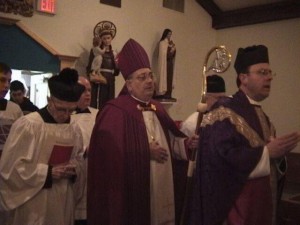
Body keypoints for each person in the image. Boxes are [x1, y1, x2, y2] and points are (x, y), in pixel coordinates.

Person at [87, 38, 198, 225]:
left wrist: (186, 144)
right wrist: (145, 151)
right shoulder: (114, 111)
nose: (149, 81)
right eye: (142, 77)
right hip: (134, 191)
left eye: (150, 76)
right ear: (128, 84)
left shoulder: (158, 107)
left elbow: (170, 143)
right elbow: (106, 155)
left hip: (163, 186)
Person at [189, 45, 300, 225]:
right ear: (243, 78)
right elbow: (218, 160)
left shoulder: (263, 117)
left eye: (270, 72)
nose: (269, 77)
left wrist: (278, 157)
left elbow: (270, 162)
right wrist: (266, 153)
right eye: (262, 72)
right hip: (237, 211)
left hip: (261, 208)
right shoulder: (224, 111)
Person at [0, 68, 86, 225]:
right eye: (61, 109)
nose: (66, 115)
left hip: (62, 199)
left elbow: (79, 160)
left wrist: (75, 168)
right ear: (49, 100)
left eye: (71, 110)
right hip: (34, 202)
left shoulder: (74, 128)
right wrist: (47, 173)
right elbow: (9, 169)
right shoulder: (28, 125)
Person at [72, 76, 98, 225]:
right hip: (76, 171)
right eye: (83, 91)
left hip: (94, 171)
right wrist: (84, 150)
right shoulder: (66, 115)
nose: (87, 94)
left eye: (89, 90)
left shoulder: (99, 114)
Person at [0, 62, 23, 225]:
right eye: (2, 80)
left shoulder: (14, 109)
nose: (6, 85)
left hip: (7, 170)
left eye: (9, 81)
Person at [88, 28, 119, 109]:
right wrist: (92, 75)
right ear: (101, 39)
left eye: (108, 38)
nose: (106, 40)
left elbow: (116, 69)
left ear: (111, 38)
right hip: (100, 77)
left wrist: (118, 66)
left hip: (110, 78)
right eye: (104, 38)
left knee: (110, 99)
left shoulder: (114, 53)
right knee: (99, 99)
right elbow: (90, 65)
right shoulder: (96, 51)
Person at [155, 28, 176, 101]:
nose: (170, 36)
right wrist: (170, 50)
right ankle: (163, 93)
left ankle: (168, 93)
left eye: (170, 34)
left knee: (169, 78)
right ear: (166, 34)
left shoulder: (170, 43)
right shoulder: (162, 43)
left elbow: (172, 54)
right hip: (164, 64)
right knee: (164, 77)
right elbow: (163, 54)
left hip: (170, 64)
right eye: (169, 34)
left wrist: (173, 50)